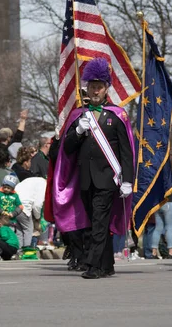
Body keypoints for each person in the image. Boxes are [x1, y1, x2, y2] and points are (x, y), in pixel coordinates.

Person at [53, 58, 135, 279]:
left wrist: (128, 180)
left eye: (99, 86)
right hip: (86, 178)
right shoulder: (78, 115)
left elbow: (127, 151)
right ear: (86, 88)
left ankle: (93, 265)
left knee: (99, 221)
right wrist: (77, 131)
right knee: (95, 222)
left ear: (106, 88)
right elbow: (67, 149)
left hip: (109, 178)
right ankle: (107, 265)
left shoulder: (117, 115)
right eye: (92, 86)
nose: (96, 90)